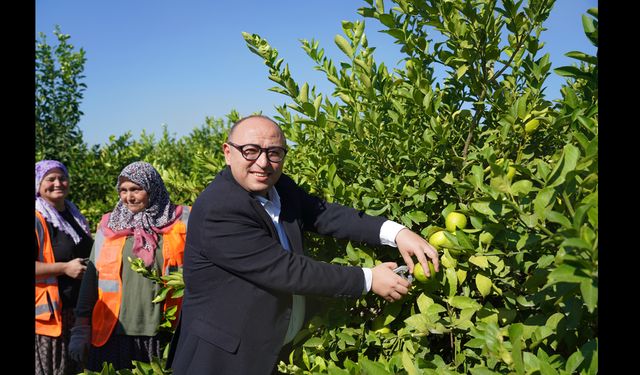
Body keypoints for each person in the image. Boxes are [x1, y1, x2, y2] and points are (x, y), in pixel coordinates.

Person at [167, 115, 440, 374]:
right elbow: (286, 270)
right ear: (228, 152)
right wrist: (368, 279)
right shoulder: (219, 208)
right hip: (226, 359)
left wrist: (396, 232)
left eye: (274, 152)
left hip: (276, 351)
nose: (263, 162)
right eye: (250, 151)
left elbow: (324, 214)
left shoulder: (279, 187)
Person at [68, 161, 190, 371]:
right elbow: (91, 279)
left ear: (152, 188)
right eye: (123, 190)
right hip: (113, 332)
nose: (129, 197)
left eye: (136, 189)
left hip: (164, 332)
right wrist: (80, 328)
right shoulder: (109, 226)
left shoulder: (182, 221)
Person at [35, 159, 94, 375]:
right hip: (50, 318)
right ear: (38, 185)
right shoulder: (37, 219)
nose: (58, 183)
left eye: (62, 177)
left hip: (78, 312)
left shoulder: (74, 215)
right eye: (50, 179)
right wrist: (64, 268)